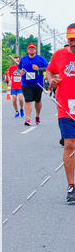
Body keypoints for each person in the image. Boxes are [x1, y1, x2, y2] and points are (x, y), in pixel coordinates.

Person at [46, 24, 75, 204]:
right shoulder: (58, 55)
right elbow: (50, 71)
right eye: (71, 39)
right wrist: (51, 80)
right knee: (70, 145)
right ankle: (71, 186)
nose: (74, 42)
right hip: (66, 107)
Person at [19, 43, 48, 126]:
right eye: (30, 48)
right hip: (26, 83)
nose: (31, 50)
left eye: (33, 49)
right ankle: (28, 119)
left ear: (35, 50)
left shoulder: (40, 59)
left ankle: (37, 116)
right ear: (27, 50)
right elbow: (18, 69)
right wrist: (20, 72)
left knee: (37, 100)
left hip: (37, 83)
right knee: (27, 100)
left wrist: (39, 69)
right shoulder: (24, 59)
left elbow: (48, 68)